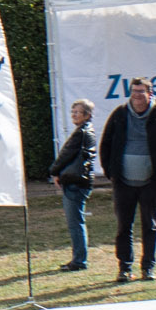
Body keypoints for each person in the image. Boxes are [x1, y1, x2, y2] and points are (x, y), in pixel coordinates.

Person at [102, 74, 156, 282]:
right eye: (134, 92)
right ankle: (125, 268)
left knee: (150, 226)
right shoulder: (119, 115)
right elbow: (106, 143)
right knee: (124, 226)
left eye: (141, 92)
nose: (137, 96)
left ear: (150, 94)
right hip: (123, 182)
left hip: (150, 182)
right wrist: (111, 172)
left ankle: (148, 268)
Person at [54, 98, 99, 271]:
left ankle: (79, 260)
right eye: (72, 111)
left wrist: (54, 170)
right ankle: (79, 258)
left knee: (75, 223)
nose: (73, 115)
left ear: (87, 115)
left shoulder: (81, 133)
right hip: (79, 182)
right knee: (76, 221)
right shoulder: (85, 131)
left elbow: (66, 154)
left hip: (76, 182)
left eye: (77, 112)